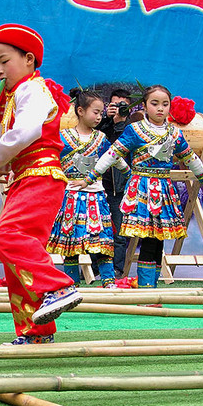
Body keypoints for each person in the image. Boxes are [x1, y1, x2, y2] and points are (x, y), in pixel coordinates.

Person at [0, 24, 80, 345]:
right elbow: (12, 145)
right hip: (25, 177)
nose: (0, 71)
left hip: (40, 176)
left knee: (7, 237)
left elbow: (26, 133)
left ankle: (58, 287)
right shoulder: (17, 95)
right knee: (18, 260)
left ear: (29, 59)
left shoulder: (33, 89)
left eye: (5, 61)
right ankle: (35, 333)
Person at [85, 85, 203, 289]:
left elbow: (190, 157)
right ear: (144, 106)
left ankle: (151, 288)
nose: (160, 108)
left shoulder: (174, 133)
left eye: (165, 104)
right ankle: (146, 289)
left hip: (164, 190)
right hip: (142, 188)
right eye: (154, 103)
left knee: (159, 238)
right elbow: (113, 154)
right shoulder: (135, 130)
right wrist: (91, 176)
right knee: (149, 237)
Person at [48, 90, 124, 287]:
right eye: (95, 112)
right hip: (70, 197)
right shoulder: (63, 137)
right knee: (70, 242)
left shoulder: (101, 139)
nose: (99, 117)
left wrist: (129, 172)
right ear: (80, 111)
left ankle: (108, 281)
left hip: (96, 197)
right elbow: (50, 160)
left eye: (101, 113)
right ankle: (71, 284)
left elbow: (114, 157)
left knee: (102, 239)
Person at [96, 88, 133, 277]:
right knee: (95, 229)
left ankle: (117, 270)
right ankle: (94, 269)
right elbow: (97, 143)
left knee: (118, 233)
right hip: (98, 185)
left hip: (119, 188)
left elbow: (120, 149)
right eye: (114, 105)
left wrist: (119, 124)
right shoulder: (101, 125)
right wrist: (107, 120)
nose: (118, 109)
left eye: (122, 105)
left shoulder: (131, 128)